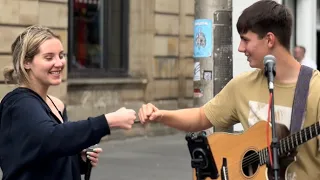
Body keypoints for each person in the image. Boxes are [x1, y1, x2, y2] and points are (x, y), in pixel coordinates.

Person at [138, 0, 320, 180]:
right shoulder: (242, 85)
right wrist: (161, 115)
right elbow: (202, 117)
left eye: (245, 40)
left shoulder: (316, 89)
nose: (241, 48)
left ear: (270, 39)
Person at [0, 25, 136, 180]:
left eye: (61, 55)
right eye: (49, 57)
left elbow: (49, 153)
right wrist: (109, 121)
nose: (59, 63)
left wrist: (79, 160)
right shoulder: (20, 103)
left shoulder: (56, 104)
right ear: (26, 62)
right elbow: (52, 138)